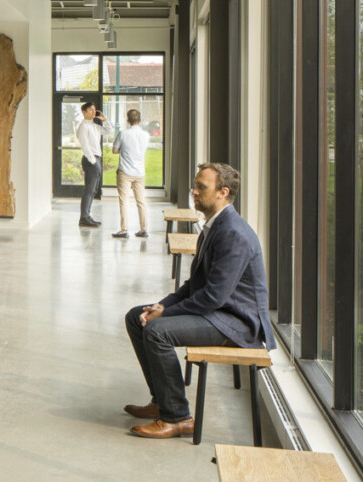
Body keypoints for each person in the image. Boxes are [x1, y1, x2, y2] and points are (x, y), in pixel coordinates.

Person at [122, 163, 272, 439]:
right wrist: (162, 305)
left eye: (201, 187)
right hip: (218, 312)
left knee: (156, 332)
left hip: (237, 323)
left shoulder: (233, 233)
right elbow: (194, 285)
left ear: (222, 193)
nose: (193, 191)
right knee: (136, 316)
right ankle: (162, 400)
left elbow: (213, 297)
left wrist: (163, 316)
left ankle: (177, 417)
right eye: (195, 184)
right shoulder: (214, 226)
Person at [111, 108, 152, 239]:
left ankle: (124, 229)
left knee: (124, 201)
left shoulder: (123, 134)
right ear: (139, 120)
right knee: (141, 201)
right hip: (139, 172)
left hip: (125, 171)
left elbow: (115, 150)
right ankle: (143, 229)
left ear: (127, 120)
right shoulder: (146, 135)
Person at [74, 102, 104, 228]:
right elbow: (85, 146)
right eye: (91, 110)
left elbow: (108, 131)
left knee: (93, 190)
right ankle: (84, 218)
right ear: (84, 112)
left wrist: (104, 119)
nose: (93, 112)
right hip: (90, 160)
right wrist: (93, 161)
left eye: (94, 109)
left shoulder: (95, 125)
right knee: (89, 190)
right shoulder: (83, 127)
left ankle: (87, 215)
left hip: (97, 158)